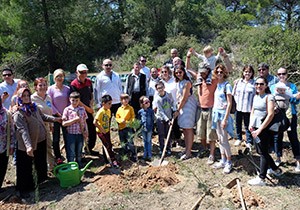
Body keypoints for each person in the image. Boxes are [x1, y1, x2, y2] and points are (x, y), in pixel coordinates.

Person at [186, 49, 232, 165]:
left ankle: (212, 154)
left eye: (204, 72)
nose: (201, 73)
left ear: (208, 71)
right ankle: (205, 149)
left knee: (211, 134)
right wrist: (188, 57)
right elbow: (188, 69)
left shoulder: (214, 80)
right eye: (200, 72)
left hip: (211, 109)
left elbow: (228, 70)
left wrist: (225, 56)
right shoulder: (198, 78)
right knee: (201, 133)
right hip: (201, 108)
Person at [13, 88, 60, 198]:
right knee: (25, 168)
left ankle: (39, 182)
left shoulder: (33, 107)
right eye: (23, 96)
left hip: (40, 141)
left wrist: (55, 119)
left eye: (27, 95)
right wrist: (29, 146)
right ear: (19, 98)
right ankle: (23, 189)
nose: (26, 97)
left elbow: (43, 117)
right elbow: (23, 131)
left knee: (40, 163)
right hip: (26, 145)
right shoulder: (19, 113)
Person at [248, 77, 282, 186]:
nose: (259, 86)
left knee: (263, 153)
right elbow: (252, 111)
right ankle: (275, 169)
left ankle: (261, 178)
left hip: (264, 129)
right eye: (257, 84)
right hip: (255, 127)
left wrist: (260, 129)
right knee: (261, 151)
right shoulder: (256, 96)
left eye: (261, 84)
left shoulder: (269, 97)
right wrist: (250, 124)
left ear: (266, 85)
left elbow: (270, 114)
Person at [270, 67, 300, 171]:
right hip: (278, 115)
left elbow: (296, 100)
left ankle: (298, 161)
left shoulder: (292, 86)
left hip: (290, 114)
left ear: (287, 74)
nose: (281, 76)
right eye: (279, 74)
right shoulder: (273, 86)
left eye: (283, 73)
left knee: (293, 137)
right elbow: (271, 99)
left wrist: (288, 96)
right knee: (277, 136)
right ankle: (278, 158)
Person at [211, 64, 234, 174]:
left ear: (224, 73)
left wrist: (225, 119)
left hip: (223, 114)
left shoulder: (227, 86)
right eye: (218, 72)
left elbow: (229, 103)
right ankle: (223, 159)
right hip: (216, 113)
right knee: (219, 139)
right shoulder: (218, 85)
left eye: (221, 72)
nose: (219, 73)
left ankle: (229, 162)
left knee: (224, 139)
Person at [70, 64, 98, 156]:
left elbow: (91, 95)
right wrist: (88, 109)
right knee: (81, 131)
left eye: (85, 72)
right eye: (81, 72)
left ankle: (89, 148)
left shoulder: (89, 82)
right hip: (79, 111)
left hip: (89, 109)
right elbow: (77, 100)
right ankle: (79, 152)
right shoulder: (74, 84)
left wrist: (91, 105)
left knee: (92, 130)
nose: (83, 74)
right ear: (76, 73)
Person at [173, 65, 197, 160]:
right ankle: (187, 149)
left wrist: (178, 110)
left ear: (184, 72)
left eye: (180, 72)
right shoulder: (178, 82)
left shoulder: (187, 83)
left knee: (188, 128)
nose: (178, 74)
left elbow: (184, 98)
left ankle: (188, 152)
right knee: (184, 129)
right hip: (181, 106)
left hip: (188, 107)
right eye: (176, 73)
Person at [31, 77, 55, 171]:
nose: (43, 87)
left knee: (48, 146)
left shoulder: (48, 97)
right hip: (37, 127)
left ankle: (51, 166)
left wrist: (51, 125)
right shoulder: (32, 98)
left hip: (47, 125)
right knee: (39, 148)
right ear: (36, 87)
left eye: (44, 85)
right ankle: (39, 169)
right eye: (40, 85)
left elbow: (50, 111)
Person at [47, 69, 70, 164]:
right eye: (57, 76)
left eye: (61, 76)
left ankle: (70, 156)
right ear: (54, 78)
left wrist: (65, 114)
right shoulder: (50, 89)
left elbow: (70, 102)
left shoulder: (67, 89)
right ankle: (58, 157)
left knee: (67, 137)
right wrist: (57, 114)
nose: (60, 78)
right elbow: (49, 103)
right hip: (55, 117)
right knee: (56, 138)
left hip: (66, 117)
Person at [62, 91, 88, 168]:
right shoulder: (67, 110)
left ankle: (79, 164)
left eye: (77, 100)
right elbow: (64, 123)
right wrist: (74, 120)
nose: (75, 102)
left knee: (79, 149)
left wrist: (86, 131)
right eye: (73, 100)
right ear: (70, 99)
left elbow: (85, 121)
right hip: (71, 134)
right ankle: (71, 165)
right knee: (71, 150)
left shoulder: (82, 109)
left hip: (80, 133)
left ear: (79, 100)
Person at [94, 95, 119, 168]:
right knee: (107, 145)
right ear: (103, 103)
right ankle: (113, 161)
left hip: (107, 131)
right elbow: (95, 122)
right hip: (101, 132)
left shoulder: (108, 111)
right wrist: (101, 129)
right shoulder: (100, 111)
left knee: (108, 144)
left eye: (111, 103)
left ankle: (108, 159)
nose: (111, 105)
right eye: (109, 104)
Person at [233, 65, 255, 147]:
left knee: (248, 125)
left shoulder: (254, 83)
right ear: (243, 72)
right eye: (246, 71)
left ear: (252, 73)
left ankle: (249, 141)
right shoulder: (238, 82)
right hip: (238, 107)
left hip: (248, 108)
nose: (247, 73)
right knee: (237, 124)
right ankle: (239, 138)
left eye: (249, 72)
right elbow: (234, 93)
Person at [154, 81, 174, 156]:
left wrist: (174, 110)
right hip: (161, 118)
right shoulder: (158, 99)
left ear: (164, 87)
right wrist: (167, 120)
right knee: (161, 134)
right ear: (156, 90)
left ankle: (168, 148)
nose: (160, 89)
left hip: (169, 117)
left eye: (161, 87)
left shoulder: (168, 95)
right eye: (158, 88)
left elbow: (172, 103)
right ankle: (162, 149)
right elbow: (161, 111)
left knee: (168, 133)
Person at [115, 94, 137, 162]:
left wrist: (129, 122)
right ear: (121, 101)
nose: (125, 100)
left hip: (128, 127)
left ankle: (133, 154)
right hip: (121, 128)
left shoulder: (130, 108)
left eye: (126, 99)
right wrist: (121, 121)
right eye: (124, 99)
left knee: (130, 141)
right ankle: (125, 154)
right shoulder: (119, 109)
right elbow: (117, 118)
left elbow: (133, 117)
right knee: (123, 142)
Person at [0, 97, 15, 193]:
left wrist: (11, 145)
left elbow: (11, 130)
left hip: (4, 146)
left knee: (2, 167)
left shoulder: (6, 113)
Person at [138, 96, 154, 161]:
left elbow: (153, 120)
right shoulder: (140, 112)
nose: (148, 103)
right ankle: (145, 153)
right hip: (143, 129)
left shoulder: (151, 111)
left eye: (149, 102)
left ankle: (149, 154)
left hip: (149, 129)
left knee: (149, 141)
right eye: (146, 102)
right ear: (142, 104)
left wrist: (152, 127)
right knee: (145, 141)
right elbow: (139, 120)